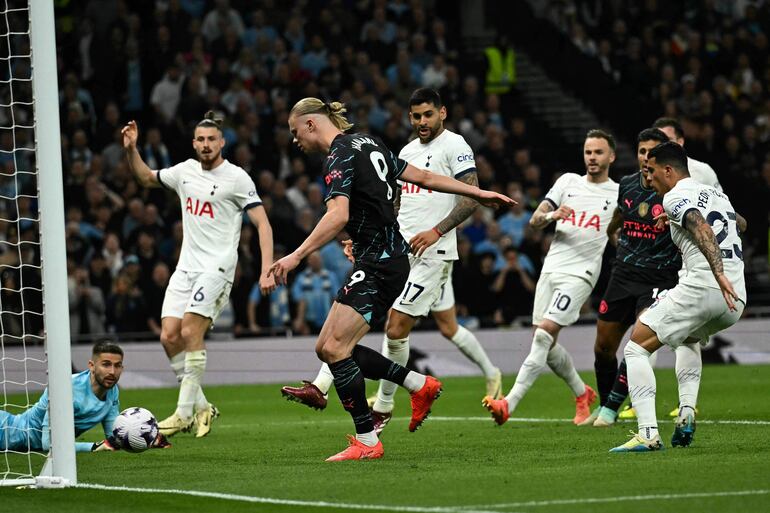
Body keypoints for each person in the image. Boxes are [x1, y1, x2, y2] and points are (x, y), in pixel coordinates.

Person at [268, 97, 513, 461]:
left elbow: (337, 215)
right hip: (387, 257)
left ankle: (368, 441)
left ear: (309, 124)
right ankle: (418, 384)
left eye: (294, 132)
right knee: (329, 347)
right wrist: (476, 192)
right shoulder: (369, 143)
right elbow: (424, 177)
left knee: (336, 349)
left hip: (382, 262)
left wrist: (296, 255)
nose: (294, 141)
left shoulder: (339, 154)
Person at [122, 111, 275, 439]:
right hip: (186, 268)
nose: (206, 145)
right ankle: (202, 406)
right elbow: (145, 178)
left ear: (222, 143)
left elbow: (262, 223)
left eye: (211, 140)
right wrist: (131, 149)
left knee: (191, 331)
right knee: (168, 337)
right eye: (201, 140)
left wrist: (266, 269)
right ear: (194, 143)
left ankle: (183, 413)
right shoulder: (184, 172)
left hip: (217, 267)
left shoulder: (237, 178)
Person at [610, 141, 746, 452]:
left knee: (635, 348)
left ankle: (648, 434)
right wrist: (674, 220)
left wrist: (718, 272)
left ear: (668, 170)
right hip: (734, 300)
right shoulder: (716, 195)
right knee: (687, 339)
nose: (648, 180)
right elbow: (739, 224)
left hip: (705, 286)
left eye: (652, 171)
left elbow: (703, 229)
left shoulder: (674, 196)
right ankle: (686, 412)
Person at [482, 129, 619, 426]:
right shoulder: (567, 182)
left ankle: (508, 403)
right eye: (588, 152)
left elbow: (619, 236)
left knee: (543, 334)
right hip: (551, 269)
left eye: (598, 152)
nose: (592, 158)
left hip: (580, 274)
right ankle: (582, 393)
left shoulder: (618, 194)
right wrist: (551, 217)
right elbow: (534, 221)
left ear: (611, 156)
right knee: (543, 340)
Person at [580, 128, 676, 426]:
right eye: (642, 151)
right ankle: (607, 402)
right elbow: (622, 213)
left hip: (659, 278)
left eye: (653, 152)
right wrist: (612, 233)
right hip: (623, 274)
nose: (647, 158)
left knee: (638, 342)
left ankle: (610, 409)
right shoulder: (628, 185)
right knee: (603, 348)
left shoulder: (676, 190)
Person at [0, 341, 167, 452]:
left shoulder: (112, 390)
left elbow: (113, 436)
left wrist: (147, 436)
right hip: (7, 432)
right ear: (92, 366)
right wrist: (93, 447)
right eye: (106, 364)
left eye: (117, 366)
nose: (112, 372)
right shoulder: (66, 388)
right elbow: (48, 444)